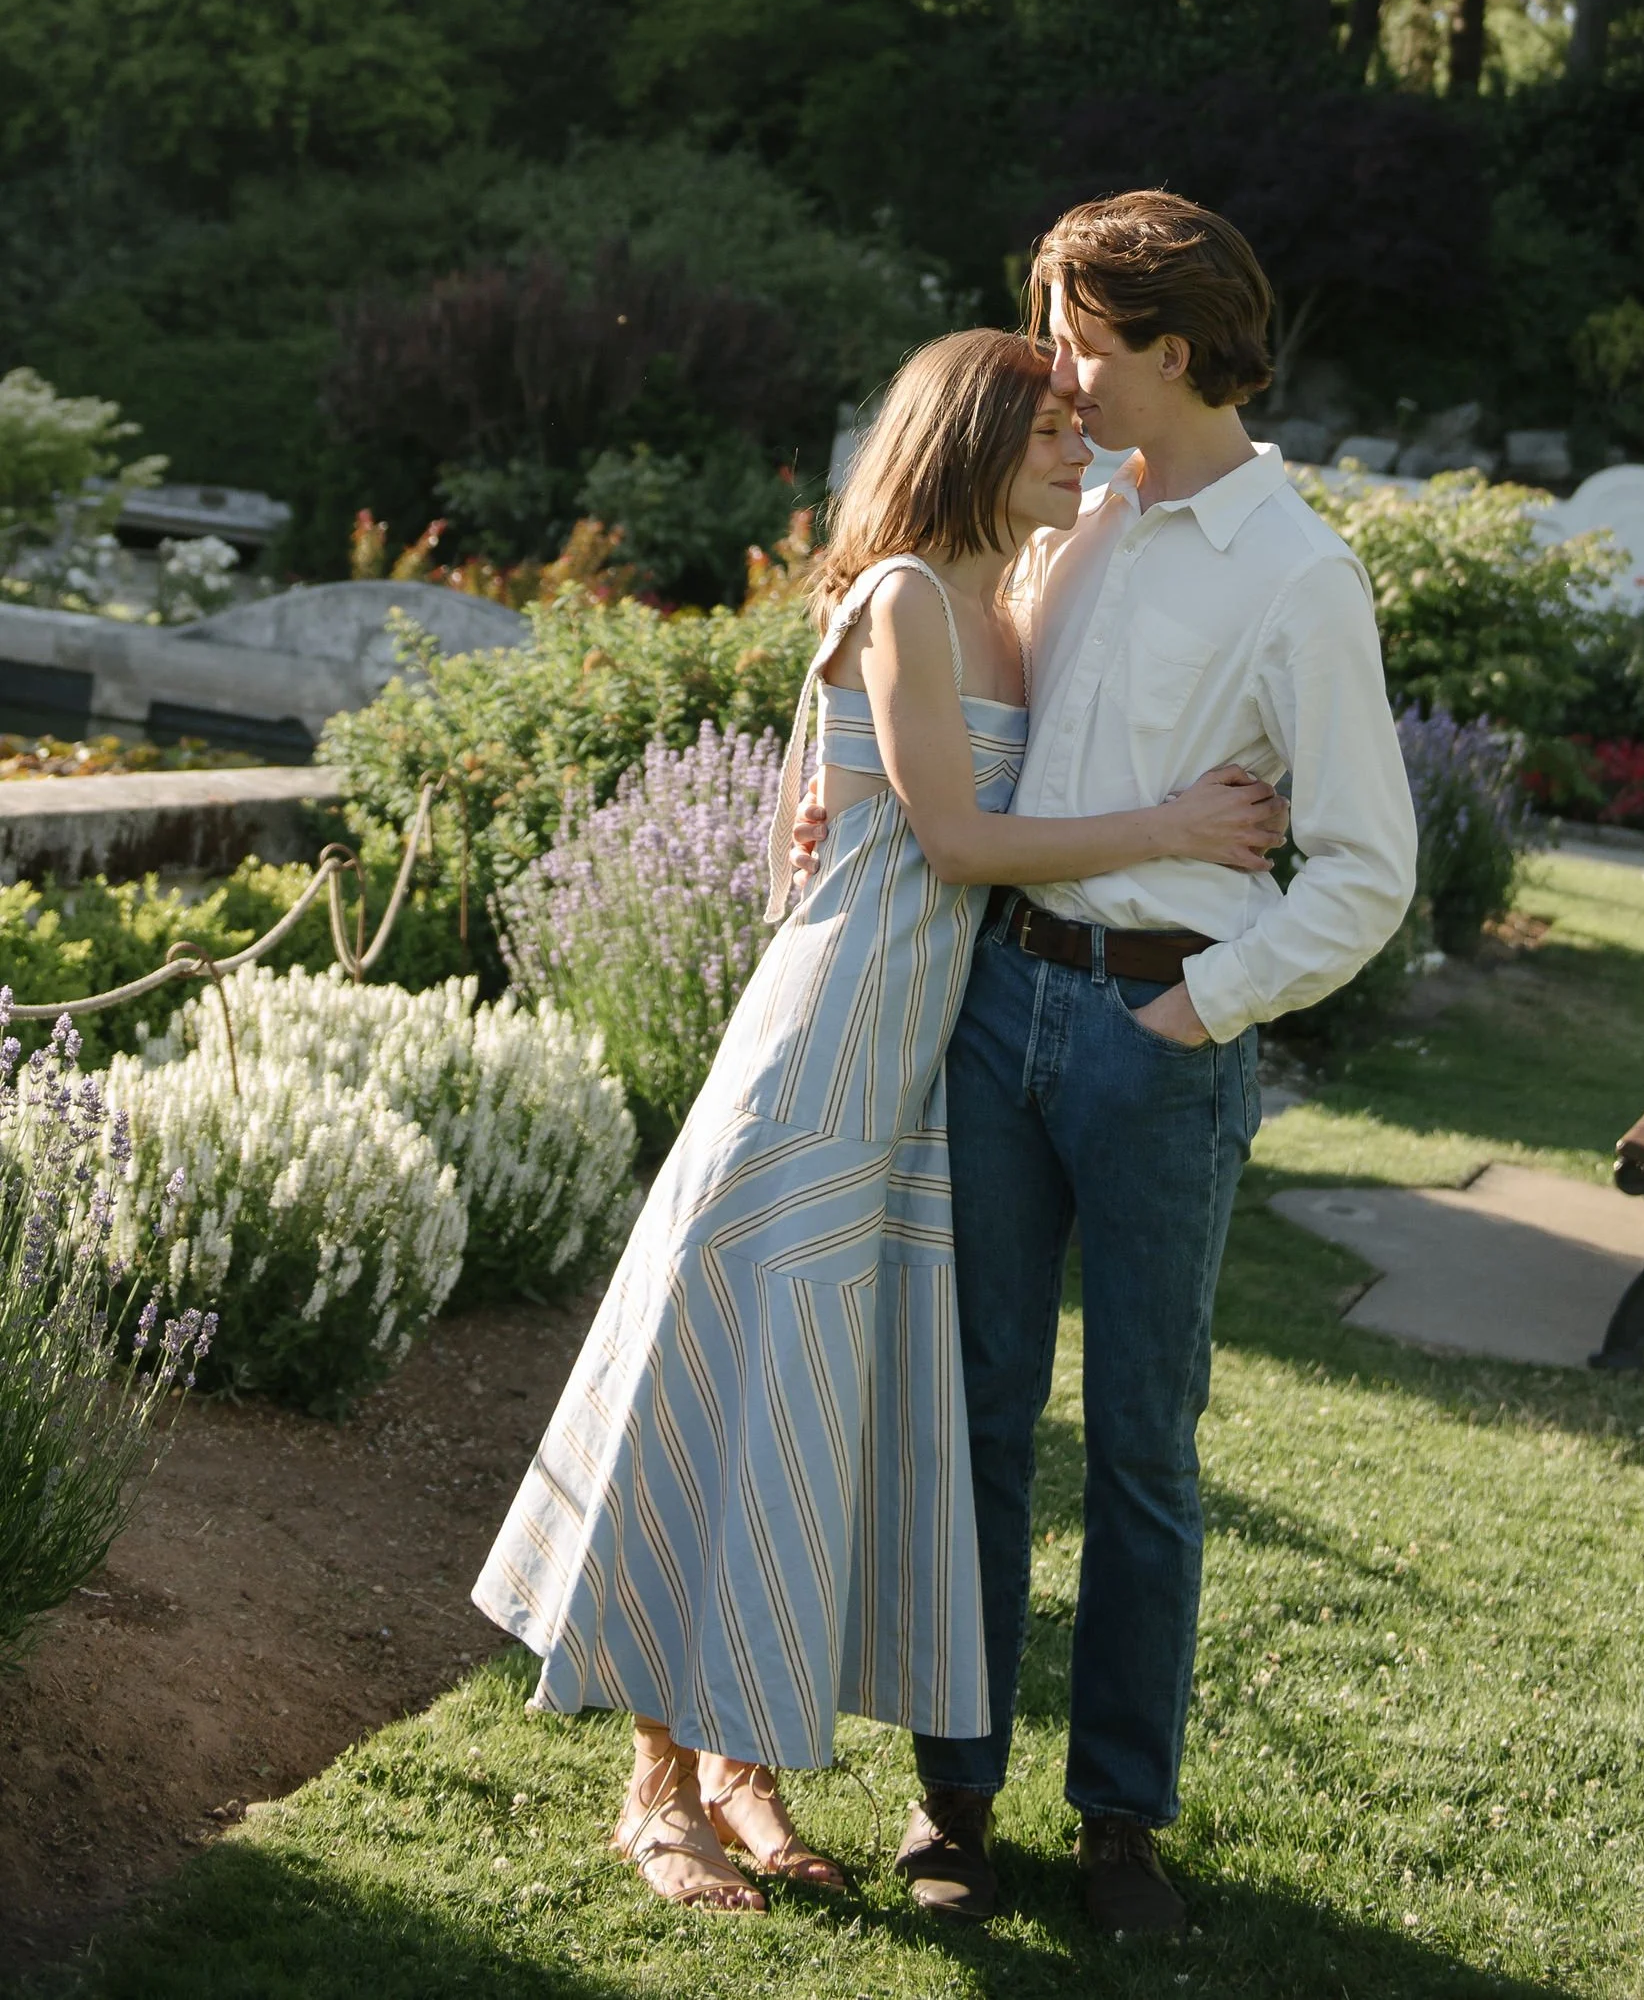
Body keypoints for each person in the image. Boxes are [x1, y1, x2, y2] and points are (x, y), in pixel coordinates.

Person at [472, 325, 1288, 1917]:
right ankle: (657, 1790)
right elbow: (965, 835)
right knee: (726, 1391)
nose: (1083, 447)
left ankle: (741, 1768)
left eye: (1079, 419)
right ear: (971, 440)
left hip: (913, 1073)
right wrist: (1182, 822)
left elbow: (1165, 486)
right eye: (1050, 427)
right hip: (821, 1054)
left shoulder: (1007, 602)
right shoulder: (913, 594)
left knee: (804, 1410)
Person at [881, 193, 1417, 1939]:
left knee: (1142, 1447)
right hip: (997, 1011)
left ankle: (1119, 1820)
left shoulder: (1297, 573)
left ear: (1172, 349)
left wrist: (1202, 1006)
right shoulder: (1069, 517)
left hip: (1155, 1039)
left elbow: (1366, 864)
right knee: (975, 1410)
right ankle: (951, 1796)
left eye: (1079, 334)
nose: (1054, 363)